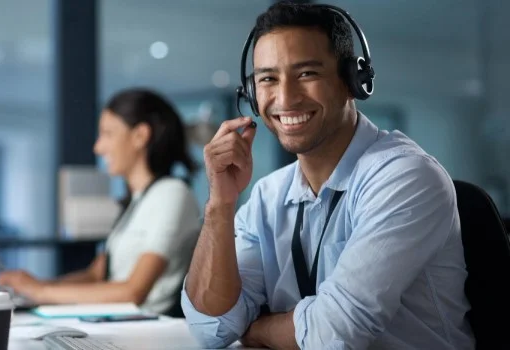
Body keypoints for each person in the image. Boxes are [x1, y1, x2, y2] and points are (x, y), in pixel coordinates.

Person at [181, 2, 475, 349]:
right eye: (268, 79)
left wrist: (254, 330)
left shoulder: (405, 178)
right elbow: (211, 328)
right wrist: (220, 203)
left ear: (353, 82)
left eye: (307, 74)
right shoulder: (268, 196)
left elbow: (335, 334)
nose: (286, 98)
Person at [0, 88, 201, 315]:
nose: (98, 147)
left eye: (107, 133)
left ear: (140, 136)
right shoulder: (136, 202)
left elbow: (133, 292)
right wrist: (30, 289)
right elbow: (96, 274)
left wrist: (41, 292)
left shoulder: (172, 194)